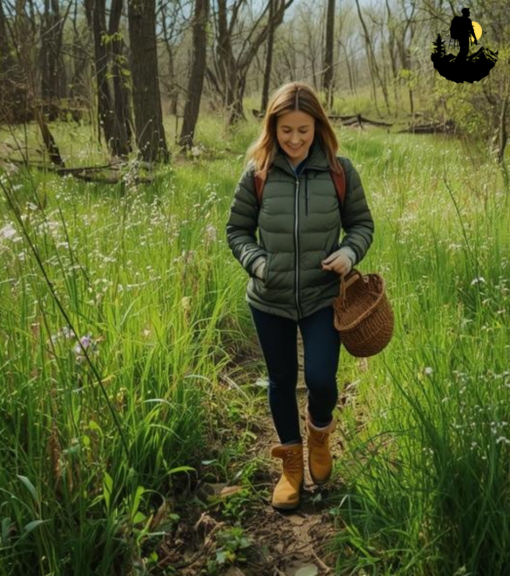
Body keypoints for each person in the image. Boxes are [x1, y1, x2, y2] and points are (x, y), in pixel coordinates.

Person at [225, 82, 374, 510]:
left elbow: (362, 224)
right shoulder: (257, 172)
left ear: (317, 127)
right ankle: (291, 466)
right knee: (281, 380)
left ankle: (320, 433)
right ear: (273, 128)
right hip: (268, 299)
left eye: (303, 131)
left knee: (322, 381)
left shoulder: (339, 171)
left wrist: (349, 251)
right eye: (286, 130)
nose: (294, 140)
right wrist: (257, 263)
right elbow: (236, 231)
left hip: (322, 296)